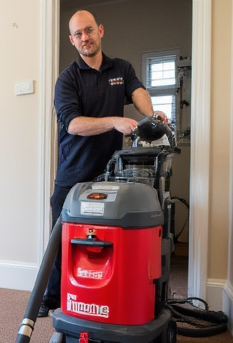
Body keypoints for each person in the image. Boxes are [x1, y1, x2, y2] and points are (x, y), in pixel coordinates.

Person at [41, 9, 169, 315]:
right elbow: (72, 125)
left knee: (104, 240)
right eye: (78, 34)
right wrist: (114, 121)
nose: (84, 38)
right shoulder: (67, 80)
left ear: (100, 30)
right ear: (72, 41)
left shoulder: (121, 69)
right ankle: (52, 297)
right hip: (73, 174)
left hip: (111, 176)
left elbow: (138, 92)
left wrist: (149, 115)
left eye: (89, 31)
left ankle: (101, 297)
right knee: (63, 239)